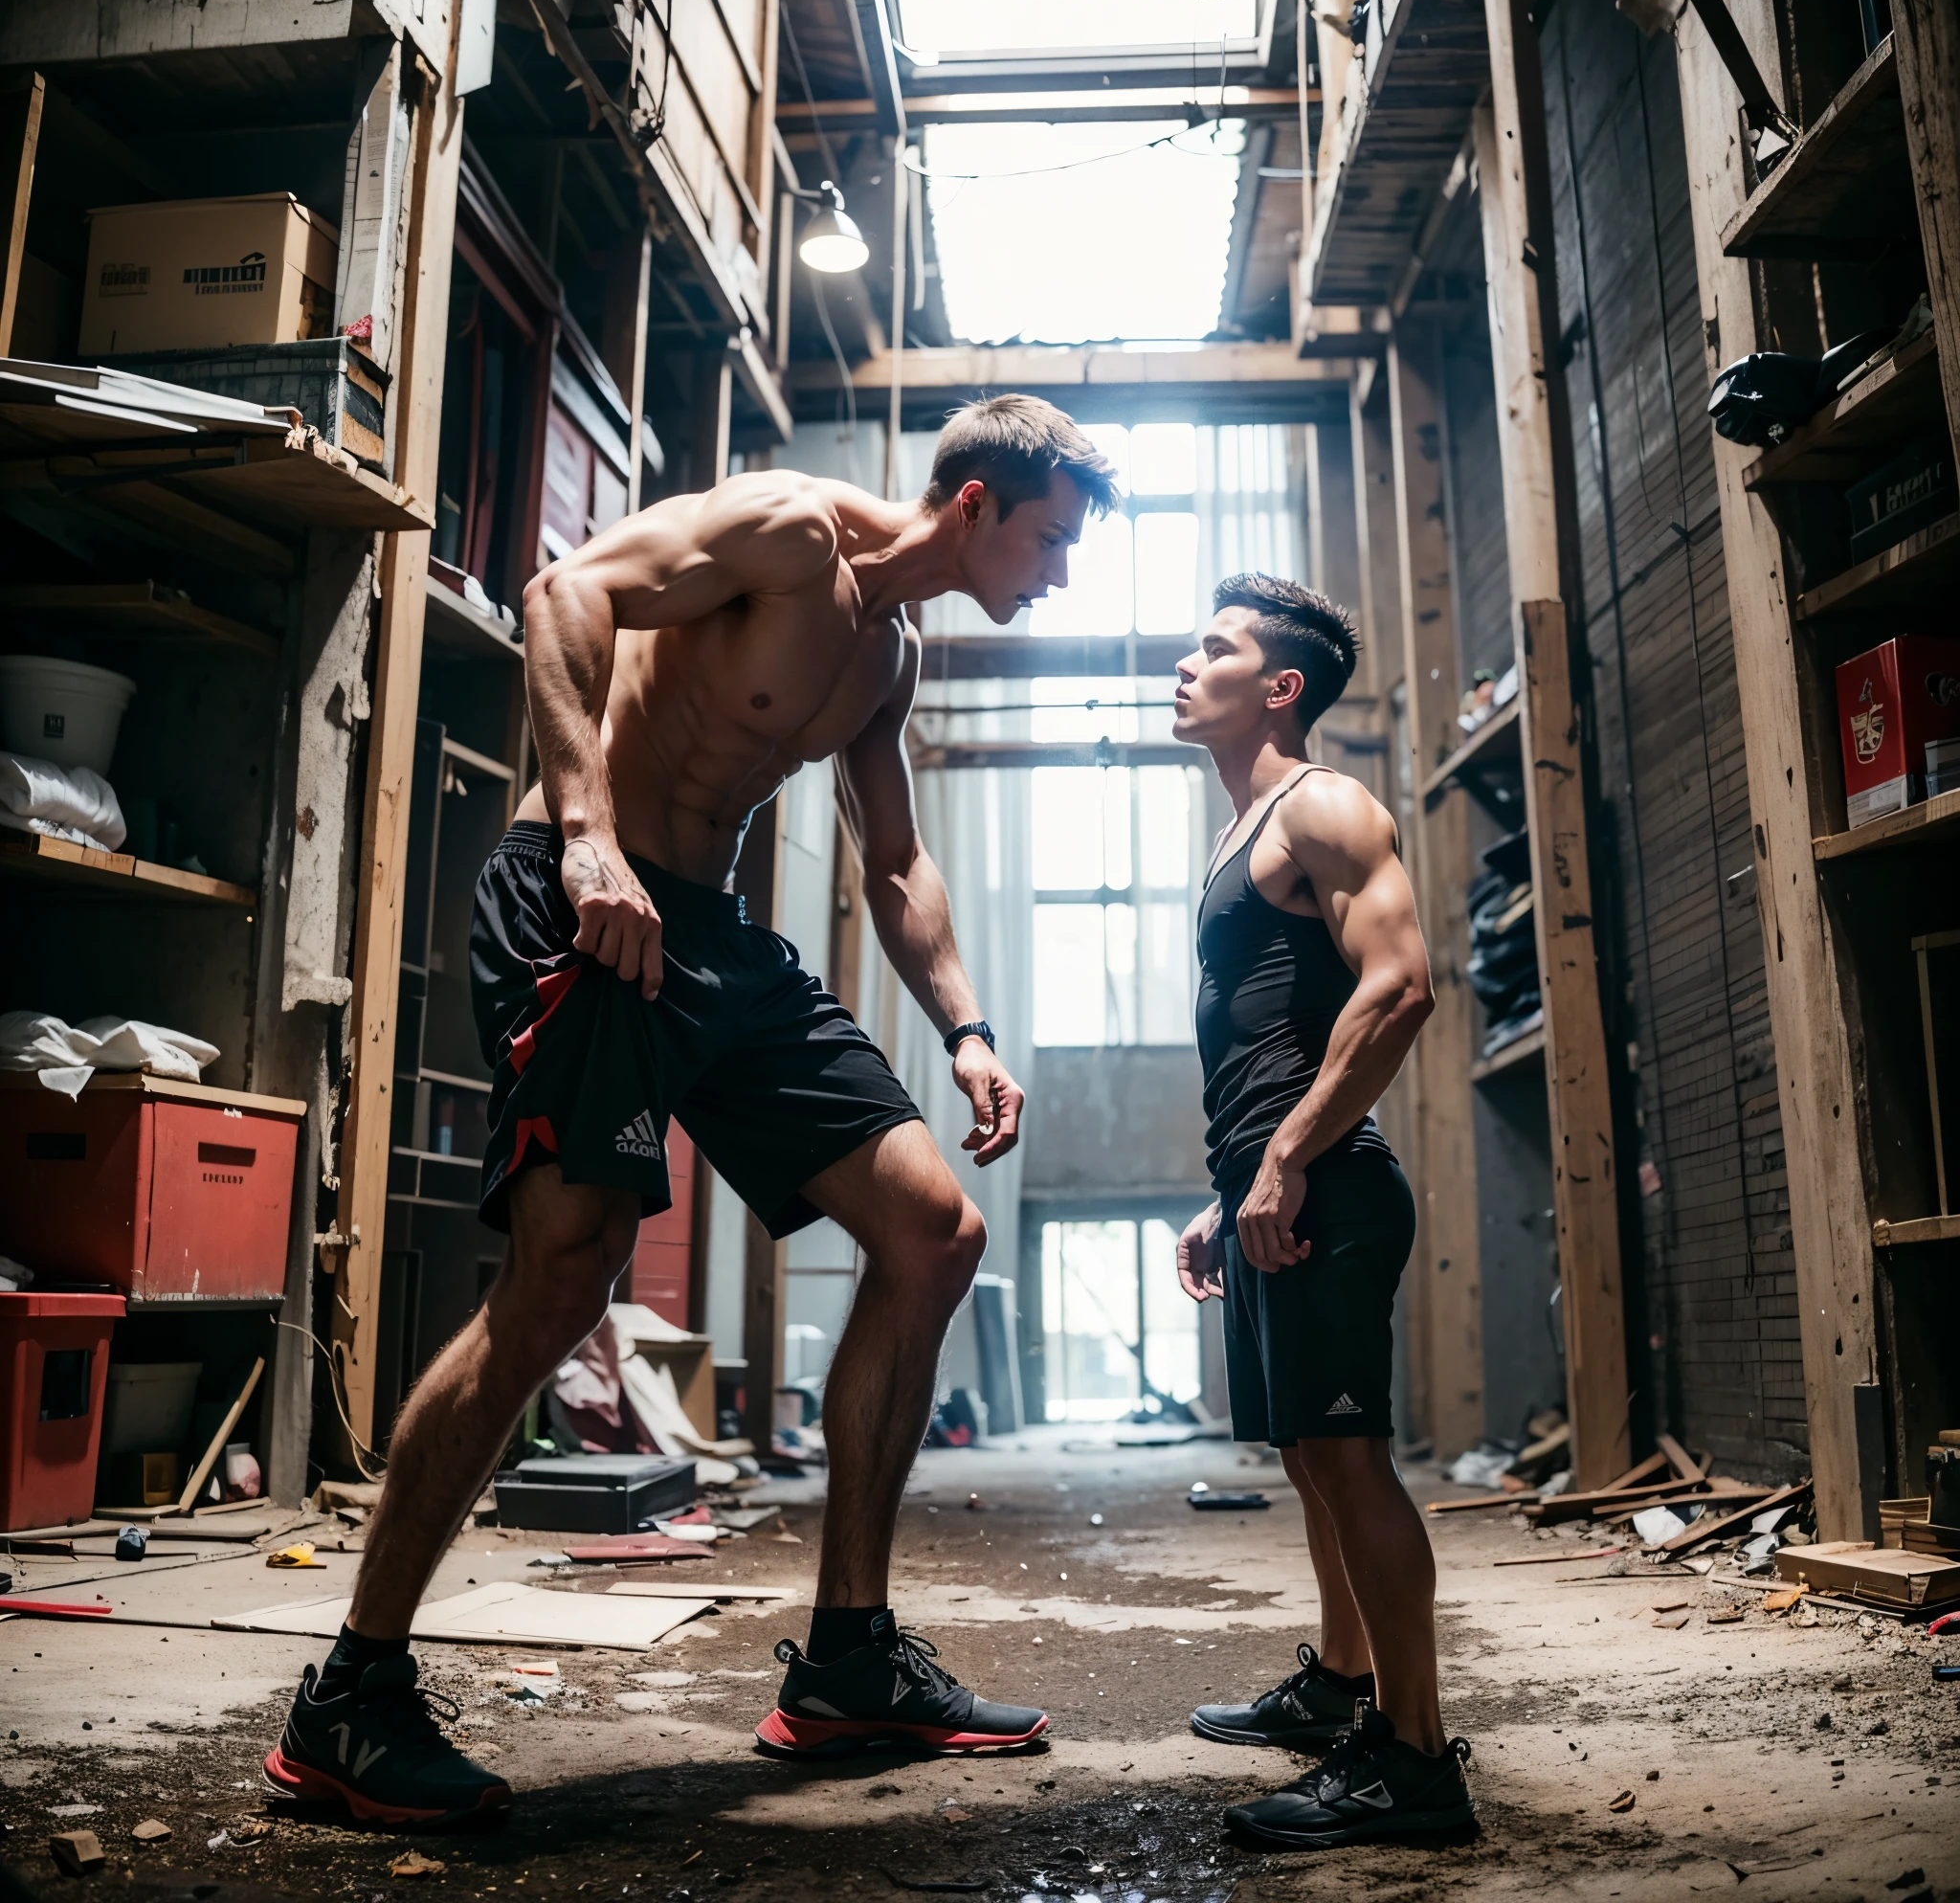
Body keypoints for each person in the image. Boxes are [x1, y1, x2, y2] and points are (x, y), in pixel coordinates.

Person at [264, 395, 1120, 1824]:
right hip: (584, 904)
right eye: (1053, 539)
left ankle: (848, 1659)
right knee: (561, 1280)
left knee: (934, 1231)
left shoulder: (890, 657)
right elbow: (565, 590)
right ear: (976, 504)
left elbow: (895, 863)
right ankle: (351, 1698)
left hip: (711, 938)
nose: (1062, 573)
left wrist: (965, 1030)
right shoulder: (786, 530)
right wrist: (589, 830)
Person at [1168, 572, 1473, 1847]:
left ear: (1280, 687)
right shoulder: (1241, 838)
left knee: (1348, 1457)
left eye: (1217, 647)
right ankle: (1343, 1684)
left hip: (1330, 1190)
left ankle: (1413, 1762)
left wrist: (1287, 1162)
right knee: (1307, 1454)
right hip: (1275, 1187)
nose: (1187, 662)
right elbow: (1271, 1034)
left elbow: (1399, 986)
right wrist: (1226, 1188)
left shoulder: (1325, 805)